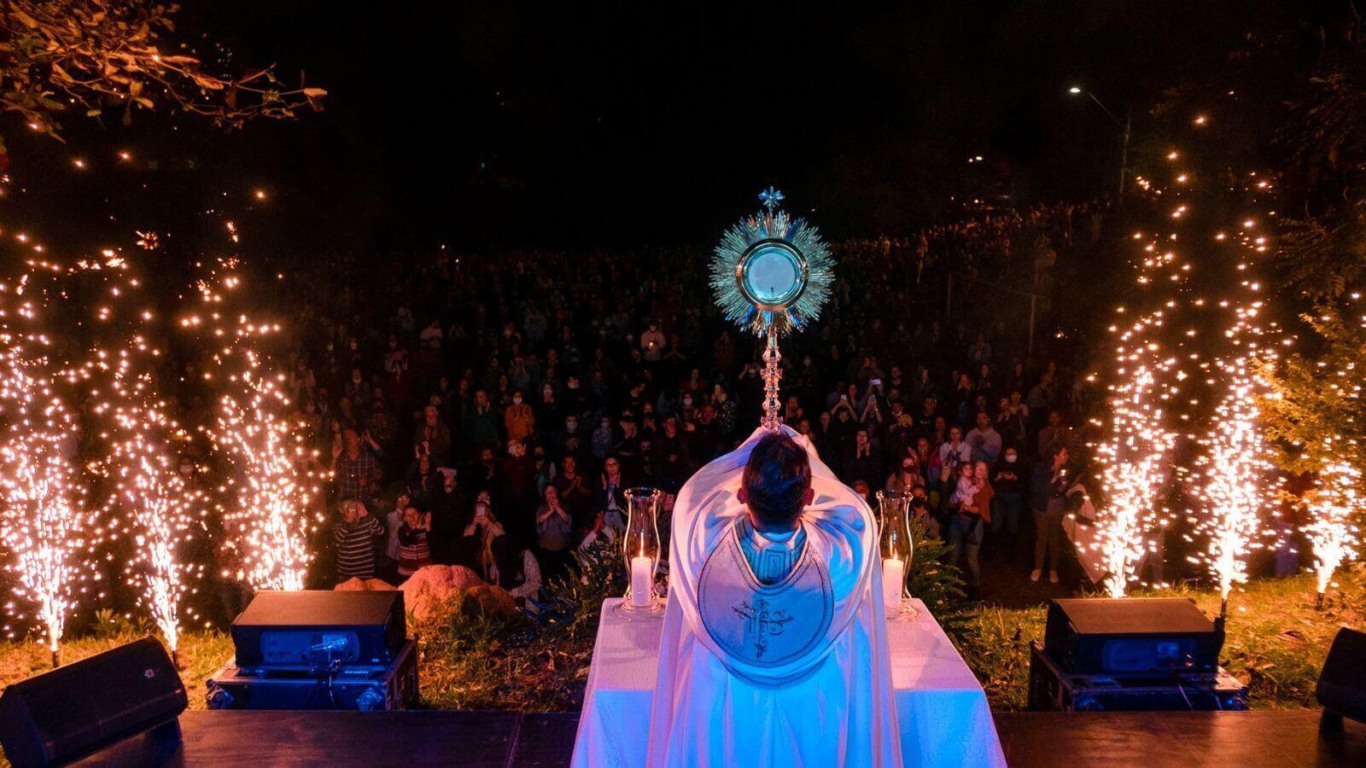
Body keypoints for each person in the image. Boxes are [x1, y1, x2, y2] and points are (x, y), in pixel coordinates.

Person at [645, 427, 901, 766]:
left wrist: (750, 445)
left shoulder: (703, 546)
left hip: (726, 706)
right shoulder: (842, 556)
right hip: (813, 708)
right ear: (809, 497)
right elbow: (855, 508)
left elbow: (695, 493)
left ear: (741, 494)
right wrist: (802, 447)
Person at [1031, 443, 1071, 583]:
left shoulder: (1066, 470)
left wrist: (1064, 484)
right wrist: (1053, 479)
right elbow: (1036, 488)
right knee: (1042, 538)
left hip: (1057, 508)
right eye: (1064, 453)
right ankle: (1038, 568)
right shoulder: (1041, 468)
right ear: (1055, 456)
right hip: (1042, 508)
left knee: (1055, 538)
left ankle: (1053, 570)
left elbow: (1063, 491)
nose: (1067, 456)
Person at [334, 498, 384, 583]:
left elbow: (380, 532)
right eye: (346, 506)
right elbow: (337, 543)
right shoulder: (338, 524)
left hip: (366, 572)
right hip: (346, 573)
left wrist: (368, 516)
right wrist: (348, 522)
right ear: (341, 510)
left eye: (352, 506)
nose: (350, 509)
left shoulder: (367, 521)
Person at [462, 490, 507, 584]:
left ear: (488, 510)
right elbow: (465, 539)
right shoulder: (471, 526)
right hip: (477, 566)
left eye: (483, 509)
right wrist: (474, 524)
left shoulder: (495, 524)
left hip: (493, 565)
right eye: (478, 509)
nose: (480, 512)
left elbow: (503, 536)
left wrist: (489, 524)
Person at [535, 484, 574, 581]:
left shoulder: (565, 506)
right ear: (545, 495)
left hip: (562, 549)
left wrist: (557, 508)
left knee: (564, 578)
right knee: (548, 578)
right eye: (548, 492)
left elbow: (567, 519)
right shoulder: (541, 508)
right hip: (545, 549)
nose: (551, 494)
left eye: (553, 491)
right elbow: (538, 520)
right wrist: (550, 511)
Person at [396, 503, 433, 579]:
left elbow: (433, 544)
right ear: (404, 518)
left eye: (414, 514)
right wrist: (417, 529)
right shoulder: (402, 530)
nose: (412, 517)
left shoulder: (426, 528)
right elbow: (406, 542)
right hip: (406, 572)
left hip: (425, 571)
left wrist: (429, 528)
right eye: (408, 515)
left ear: (419, 514)